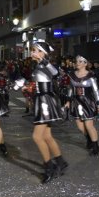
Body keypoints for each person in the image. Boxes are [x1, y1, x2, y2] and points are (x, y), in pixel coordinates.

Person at [29, 41, 68, 183]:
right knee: (47, 136)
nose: (32, 52)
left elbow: (55, 72)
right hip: (42, 99)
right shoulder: (38, 65)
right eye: (32, 50)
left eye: (35, 50)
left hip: (46, 101)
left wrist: (44, 60)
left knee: (37, 137)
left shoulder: (45, 64)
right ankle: (61, 162)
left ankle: (49, 168)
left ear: (42, 52)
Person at [64, 55, 99, 156]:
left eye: (80, 61)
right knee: (80, 127)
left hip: (87, 102)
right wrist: (68, 100)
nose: (78, 63)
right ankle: (89, 139)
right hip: (76, 102)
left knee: (88, 125)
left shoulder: (90, 76)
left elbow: (96, 91)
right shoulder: (72, 75)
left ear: (85, 64)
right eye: (77, 61)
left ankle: (95, 146)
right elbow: (70, 89)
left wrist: (98, 104)